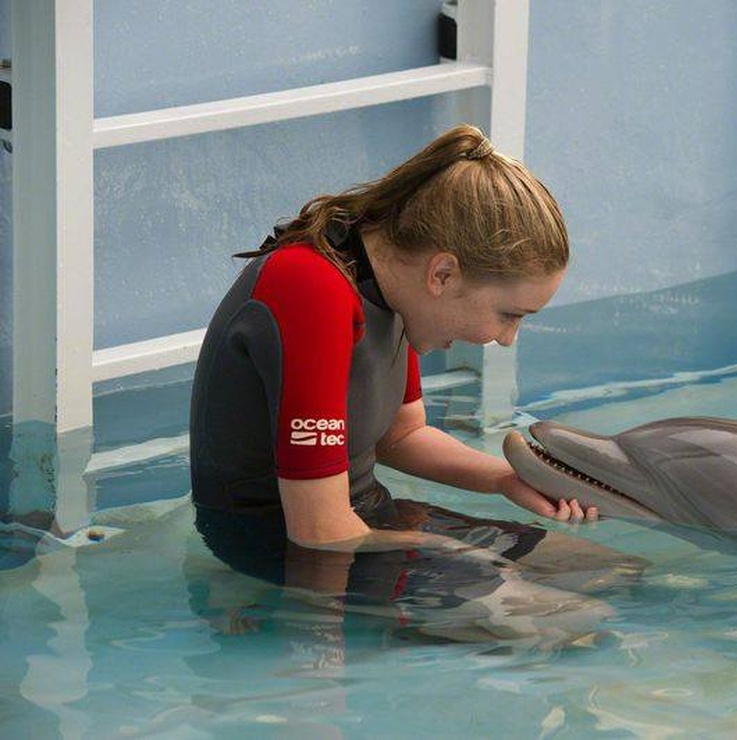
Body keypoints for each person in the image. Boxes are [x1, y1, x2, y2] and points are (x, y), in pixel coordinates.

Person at [189, 124, 606, 600]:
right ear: (443, 274)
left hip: (367, 521)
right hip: (286, 547)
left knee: (608, 573)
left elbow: (401, 437)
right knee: (569, 618)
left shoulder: (392, 287)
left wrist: (507, 480)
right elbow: (320, 533)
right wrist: (462, 555)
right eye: (508, 315)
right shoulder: (309, 289)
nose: (506, 339)